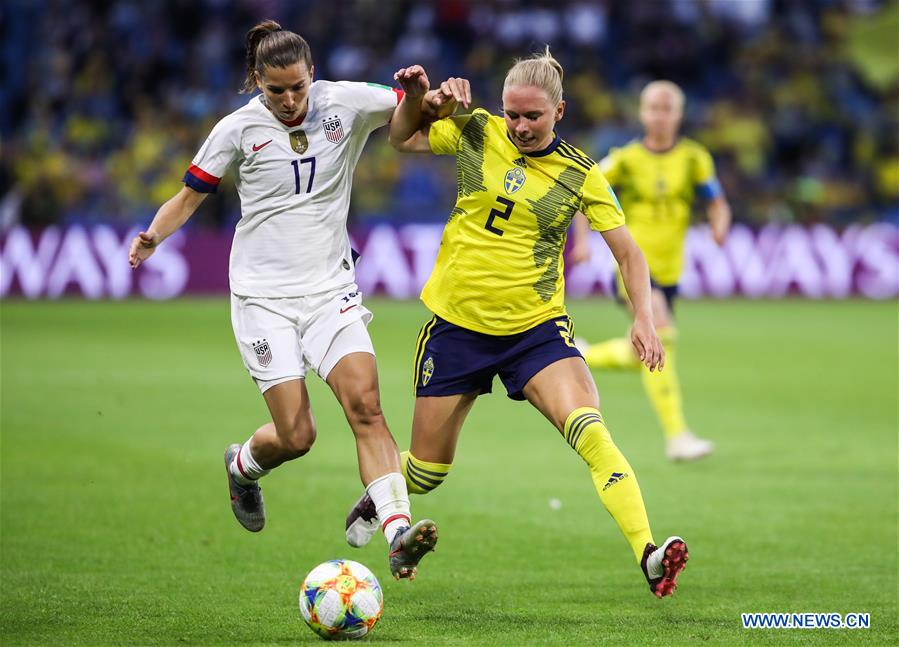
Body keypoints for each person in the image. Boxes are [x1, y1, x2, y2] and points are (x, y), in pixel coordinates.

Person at [345, 49, 689, 598]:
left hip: (536, 331)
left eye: (534, 116)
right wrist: (416, 98)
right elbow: (401, 138)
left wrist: (643, 318)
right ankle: (380, 495)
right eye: (513, 114)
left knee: (590, 430)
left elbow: (630, 254)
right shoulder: (477, 131)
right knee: (430, 471)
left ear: (560, 111)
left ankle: (648, 554)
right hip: (457, 328)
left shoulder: (581, 173)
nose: (521, 127)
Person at [128, 20, 450, 580]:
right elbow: (189, 196)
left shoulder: (344, 102)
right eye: (275, 90)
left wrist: (425, 96)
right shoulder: (236, 129)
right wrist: (154, 235)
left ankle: (399, 532)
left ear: (312, 74)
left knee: (366, 407)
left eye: (298, 86)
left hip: (330, 291)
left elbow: (408, 120)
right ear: (256, 81)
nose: (290, 100)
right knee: (298, 436)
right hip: (262, 298)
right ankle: (243, 466)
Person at [571, 80, 732, 462]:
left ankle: (583, 356)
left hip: (670, 273)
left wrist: (719, 223)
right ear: (642, 113)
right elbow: (582, 193)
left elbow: (716, 200)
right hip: (633, 268)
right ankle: (677, 436)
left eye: (667, 109)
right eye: (653, 108)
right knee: (661, 331)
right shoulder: (625, 159)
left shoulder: (694, 158)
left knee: (651, 349)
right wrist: (580, 242)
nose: (659, 116)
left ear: (678, 114)